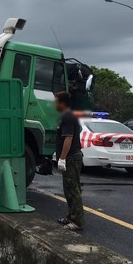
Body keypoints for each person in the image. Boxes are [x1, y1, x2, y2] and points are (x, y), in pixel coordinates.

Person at [54, 91, 84, 231]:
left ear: (62, 103)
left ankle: (77, 221)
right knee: (68, 189)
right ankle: (71, 216)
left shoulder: (68, 117)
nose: (54, 104)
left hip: (71, 157)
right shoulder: (67, 116)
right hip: (71, 157)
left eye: (56, 101)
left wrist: (62, 158)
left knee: (73, 189)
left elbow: (68, 138)